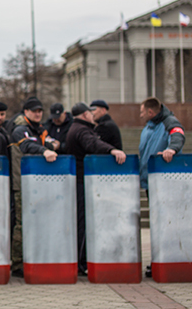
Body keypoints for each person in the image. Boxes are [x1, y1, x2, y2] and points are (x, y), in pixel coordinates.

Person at [65, 102, 126, 276]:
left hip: (78, 179)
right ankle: (81, 262)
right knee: (83, 223)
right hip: (81, 180)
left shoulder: (75, 127)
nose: (93, 116)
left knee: (81, 221)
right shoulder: (82, 130)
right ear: (85, 115)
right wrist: (112, 150)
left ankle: (80, 261)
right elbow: (92, 144)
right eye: (90, 113)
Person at [9, 97, 58, 278]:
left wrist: (51, 145)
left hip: (37, 183)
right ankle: (17, 264)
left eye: (40, 111)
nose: (38, 114)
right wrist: (45, 150)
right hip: (21, 182)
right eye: (34, 111)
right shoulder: (21, 129)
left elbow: (48, 141)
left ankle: (31, 257)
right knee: (22, 224)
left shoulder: (37, 129)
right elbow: (27, 144)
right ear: (26, 112)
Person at [138, 97, 185, 278]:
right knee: (157, 223)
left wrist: (172, 149)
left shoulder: (169, 122)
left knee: (165, 222)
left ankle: (166, 259)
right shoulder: (150, 126)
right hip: (151, 181)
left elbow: (178, 134)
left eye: (142, 111)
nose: (141, 115)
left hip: (164, 182)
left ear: (151, 112)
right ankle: (158, 260)